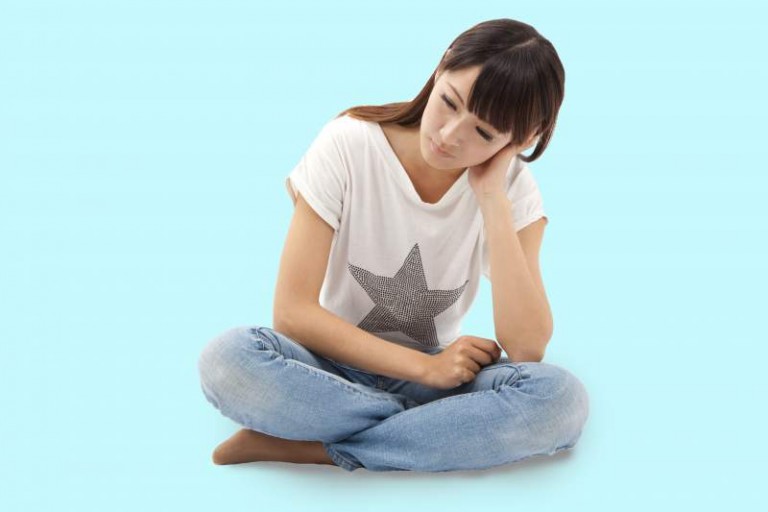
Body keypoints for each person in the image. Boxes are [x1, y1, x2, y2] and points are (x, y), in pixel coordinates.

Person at [197, 18, 590, 473]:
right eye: (449, 102)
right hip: (328, 365)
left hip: (436, 377)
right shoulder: (349, 142)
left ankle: (320, 447)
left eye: (483, 133)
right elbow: (292, 313)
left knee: (560, 400)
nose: (449, 136)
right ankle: (430, 432)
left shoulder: (513, 190)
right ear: (442, 65)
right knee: (227, 360)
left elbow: (526, 347)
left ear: (520, 140)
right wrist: (426, 370)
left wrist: (491, 198)